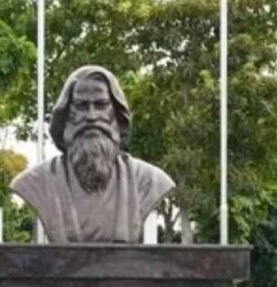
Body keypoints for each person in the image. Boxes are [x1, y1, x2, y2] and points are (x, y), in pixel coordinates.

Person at [10, 65, 175, 243]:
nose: (91, 116)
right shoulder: (37, 182)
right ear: (65, 117)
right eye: (81, 106)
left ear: (118, 115)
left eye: (101, 105)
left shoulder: (148, 180)